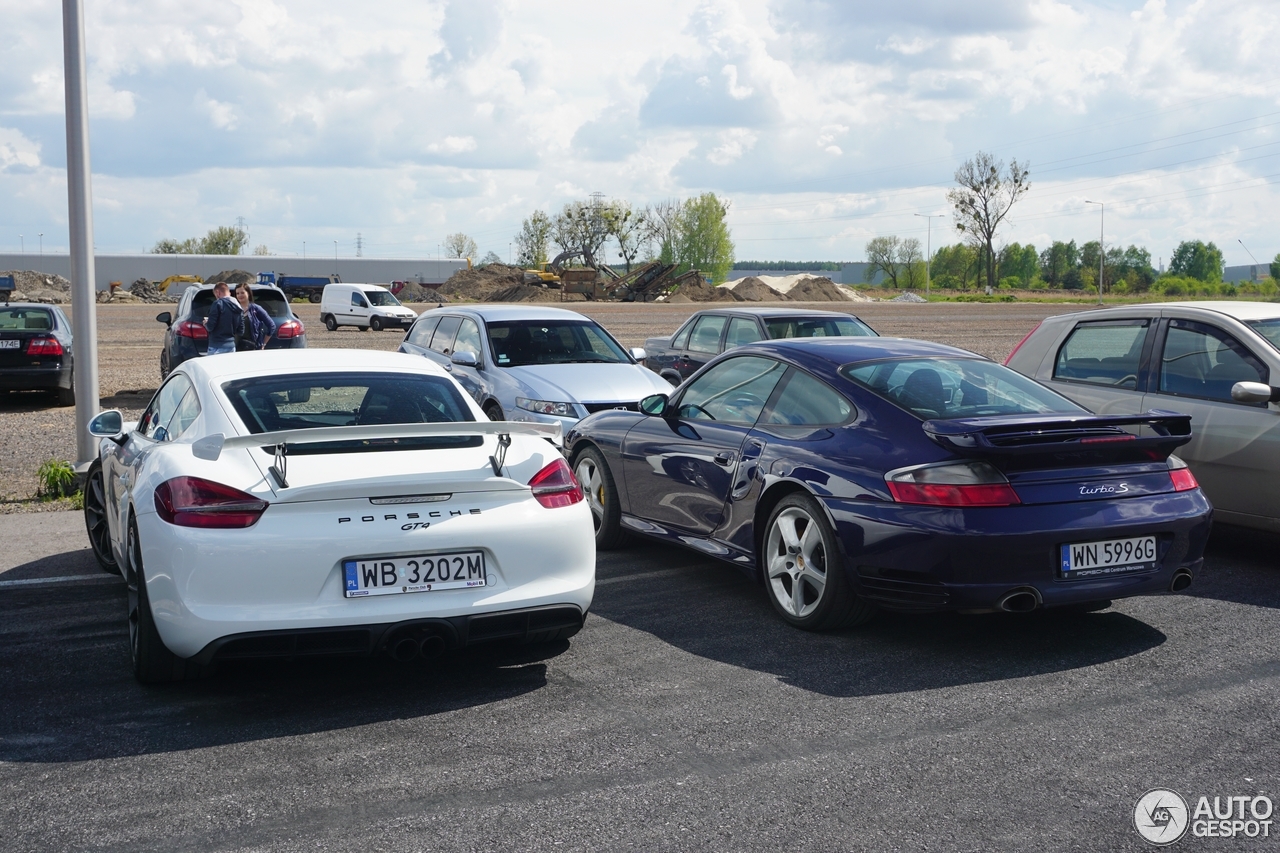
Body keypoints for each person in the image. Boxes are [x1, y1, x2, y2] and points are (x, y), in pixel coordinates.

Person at [234, 282, 276, 351]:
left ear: (248, 293)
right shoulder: (234, 309)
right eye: (237, 293)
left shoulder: (256, 309)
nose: (240, 295)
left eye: (242, 293)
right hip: (235, 348)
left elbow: (272, 326)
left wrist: (263, 344)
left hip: (252, 348)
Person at [204, 282, 242, 355]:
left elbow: (210, 327)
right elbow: (241, 331)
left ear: (218, 292)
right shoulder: (238, 306)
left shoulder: (217, 304)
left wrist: (206, 323)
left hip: (216, 346)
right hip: (231, 346)